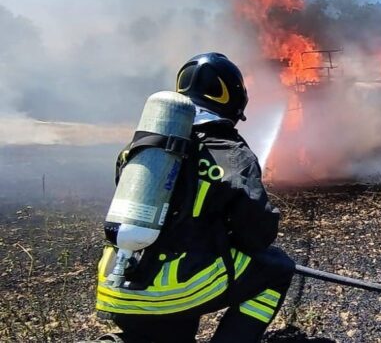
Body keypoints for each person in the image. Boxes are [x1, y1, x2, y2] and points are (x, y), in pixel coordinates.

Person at [89, 53, 294, 343]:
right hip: (176, 288)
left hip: (116, 282)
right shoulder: (230, 151)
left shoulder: (142, 145)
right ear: (231, 100)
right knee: (277, 268)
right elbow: (258, 233)